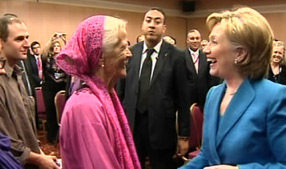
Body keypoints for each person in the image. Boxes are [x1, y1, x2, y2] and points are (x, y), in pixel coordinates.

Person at [180, 7, 286, 169]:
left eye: (214, 42)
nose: (206, 49)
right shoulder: (213, 95)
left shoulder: (275, 97)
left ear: (240, 53)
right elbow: (207, 155)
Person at [57, 15, 140, 169]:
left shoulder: (104, 96)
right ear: (101, 56)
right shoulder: (85, 106)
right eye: (122, 47)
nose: (129, 54)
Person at [117, 7, 190, 169]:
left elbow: (184, 99)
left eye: (157, 22)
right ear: (142, 25)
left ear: (164, 28)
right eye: (148, 20)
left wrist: (184, 136)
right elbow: (120, 93)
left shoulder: (176, 56)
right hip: (132, 128)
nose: (152, 25)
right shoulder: (131, 54)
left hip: (162, 129)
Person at [0, 15, 59, 169]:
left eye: (27, 37)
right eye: (19, 39)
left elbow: (26, 126)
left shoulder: (18, 74)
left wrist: (40, 153)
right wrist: (38, 159)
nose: (27, 44)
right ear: (1, 42)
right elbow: (6, 139)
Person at [184, 29, 220, 109]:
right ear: (187, 40)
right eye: (192, 38)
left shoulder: (206, 55)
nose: (195, 41)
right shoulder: (181, 56)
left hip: (205, 100)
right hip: (187, 100)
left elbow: (212, 78)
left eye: (197, 38)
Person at [41, 39, 67, 144]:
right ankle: (52, 137)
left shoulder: (64, 59)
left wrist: (64, 41)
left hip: (62, 86)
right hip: (49, 87)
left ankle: (63, 136)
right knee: (51, 112)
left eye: (58, 46)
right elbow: (44, 52)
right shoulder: (47, 59)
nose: (56, 47)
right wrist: (52, 40)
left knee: (63, 112)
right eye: (54, 46)